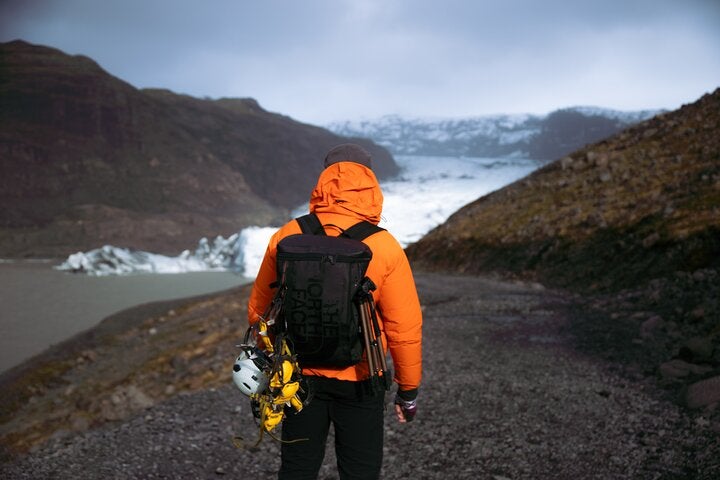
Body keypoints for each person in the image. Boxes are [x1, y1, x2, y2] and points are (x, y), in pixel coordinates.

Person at [247, 143, 423, 479]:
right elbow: (404, 327)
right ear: (371, 182)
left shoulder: (288, 235)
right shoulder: (384, 246)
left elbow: (259, 311)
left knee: (298, 468)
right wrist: (408, 391)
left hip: (299, 375)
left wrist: (272, 364)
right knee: (360, 470)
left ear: (323, 179)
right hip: (361, 377)